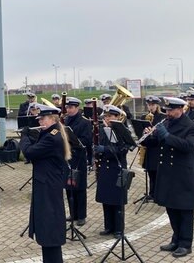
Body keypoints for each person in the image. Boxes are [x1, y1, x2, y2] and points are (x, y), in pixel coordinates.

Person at [147, 97, 194, 258]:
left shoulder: (193, 126)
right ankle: (175, 239)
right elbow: (156, 144)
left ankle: (186, 244)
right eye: (167, 110)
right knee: (171, 208)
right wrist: (149, 137)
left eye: (171, 110)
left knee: (184, 211)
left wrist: (166, 136)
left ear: (180, 109)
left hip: (182, 174)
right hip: (167, 173)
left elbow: (188, 146)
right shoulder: (165, 123)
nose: (168, 113)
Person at [19, 104, 69, 263]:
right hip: (46, 185)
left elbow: (30, 152)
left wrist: (25, 137)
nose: (40, 121)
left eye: (43, 118)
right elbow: (39, 147)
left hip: (48, 187)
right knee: (46, 228)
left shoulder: (52, 136)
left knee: (50, 227)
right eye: (39, 119)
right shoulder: (50, 133)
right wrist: (34, 134)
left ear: (52, 119)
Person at [94, 105, 129, 239]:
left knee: (117, 199)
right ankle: (108, 226)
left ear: (117, 117)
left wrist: (105, 149)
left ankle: (119, 229)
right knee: (106, 198)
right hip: (105, 167)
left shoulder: (122, 130)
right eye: (106, 116)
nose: (107, 119)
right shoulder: (103, 130)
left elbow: (123, 150)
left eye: (110, 116)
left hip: (116, 168)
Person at [63, 97, 92, 226]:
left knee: (79, 187)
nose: (68, 110)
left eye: (71, 108)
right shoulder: (66, 120)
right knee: (69, 186)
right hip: (68, 157)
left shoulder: (84, 122)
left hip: (79, 157)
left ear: (77, 108)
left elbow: (87, 140)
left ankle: (81, 215)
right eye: (67, 107)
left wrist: (73, 139)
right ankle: (73, 213)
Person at [139, 95, 167, 201]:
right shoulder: (144, 117)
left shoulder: (162, 117)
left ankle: (159, 194)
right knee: (150, 171)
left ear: (157, 105)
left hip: (158, 148)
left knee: (158, 173)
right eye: (149, 105)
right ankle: (151, 193)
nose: (150, 107)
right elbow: (140, 132)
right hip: (148, 148)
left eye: (153, 105)